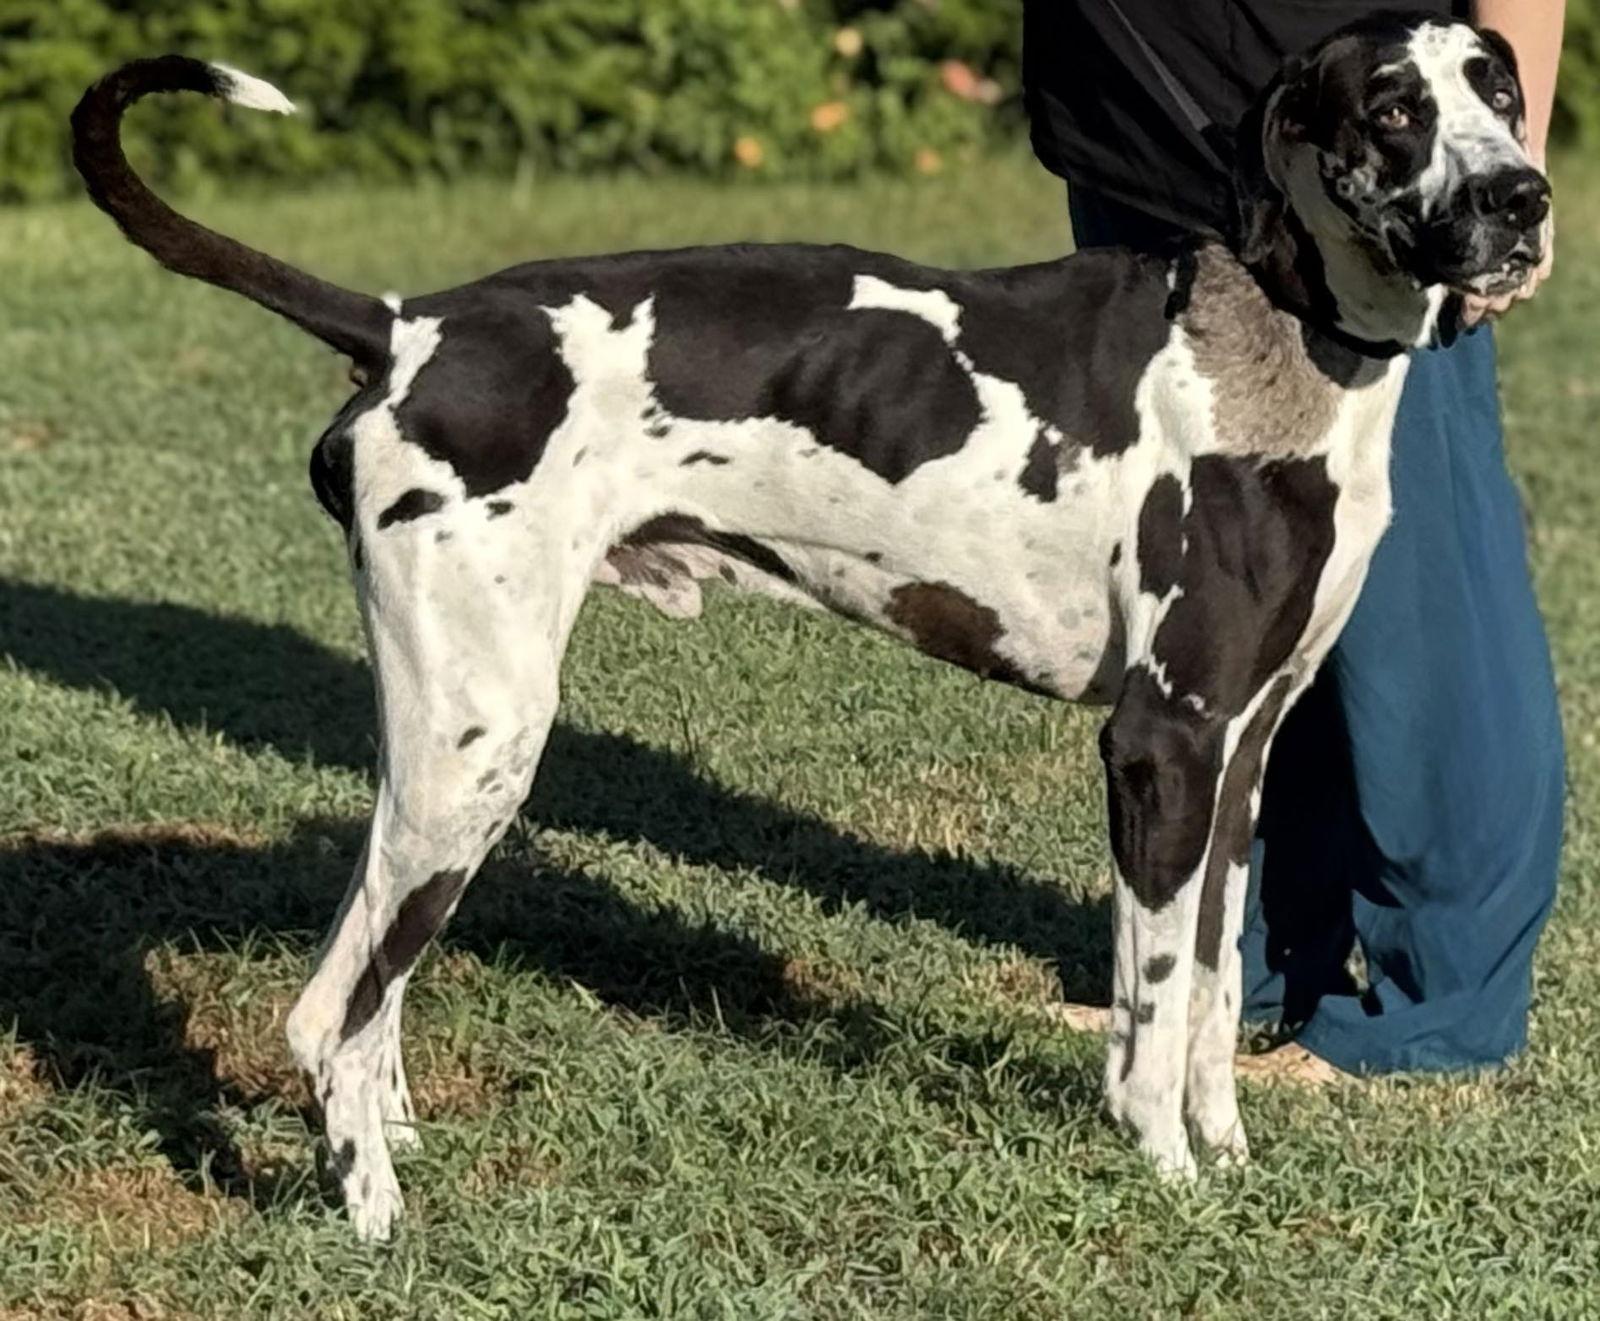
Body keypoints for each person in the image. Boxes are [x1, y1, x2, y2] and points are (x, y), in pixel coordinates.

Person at [1023, 1, 1567, 1076]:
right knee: (1225, 605)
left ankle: (1436, 1009)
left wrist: (1501, 160)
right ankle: (1232, 970)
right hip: (1142, 123)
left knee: (1417, 609)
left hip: (1364, 136)